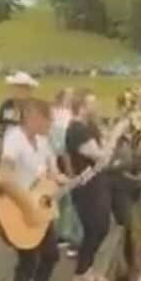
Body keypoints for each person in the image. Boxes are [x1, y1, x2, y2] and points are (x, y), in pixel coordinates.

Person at [0, 97, 66, 281]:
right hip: (19, 211)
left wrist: (60, 179)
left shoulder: (43, 141)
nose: (51, 124)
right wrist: (27, 204)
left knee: (50, 255)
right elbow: (4, 177)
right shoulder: (14, 140)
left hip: (40, 209)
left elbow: (51, 170)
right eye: (48, 119)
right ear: (33, 117)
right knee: (27, 263)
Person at [66, 89, 116, 281]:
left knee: (102, 227)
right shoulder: (77, 130)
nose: (96, 107)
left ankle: (88, 269)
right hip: (86, 187)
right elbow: (102, 158)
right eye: (92, 103)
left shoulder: (89, 127)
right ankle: (79, 275)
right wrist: (116, 134)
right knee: (94, 229)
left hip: (98, 184)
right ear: (82, 107)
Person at [49, 89, 82, 255]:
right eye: (69, 97)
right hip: (63, 160)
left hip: (53, 160)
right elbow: (64, 146)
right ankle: (69, 238)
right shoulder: (64, 116)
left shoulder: (53, 114)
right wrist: (69, 169)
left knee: (59, 199)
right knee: (70, 200)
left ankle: (58, 234)